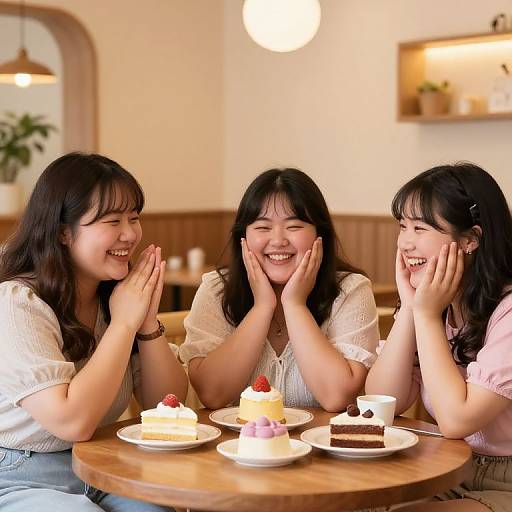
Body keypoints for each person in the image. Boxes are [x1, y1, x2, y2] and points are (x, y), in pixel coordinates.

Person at [0, 152, 188, 512]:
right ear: (62, 232)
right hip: (20, 471)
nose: (130, 233)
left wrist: (146, 320)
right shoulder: (17, 303)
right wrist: (123, 324)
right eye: (112, 220)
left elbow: (167, 402)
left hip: (100, 462)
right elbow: (71, 421)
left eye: (134, 217)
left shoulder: (116, 298)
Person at [365, 163, 512, 512]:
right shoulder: (433, 301)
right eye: (402, 226)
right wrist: (412, 310)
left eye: (420, 228)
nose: (404, 242)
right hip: (447, 466)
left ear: (470, 240)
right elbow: (383, 401)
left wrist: (427, 315)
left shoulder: (507, 311)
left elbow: (457, 419)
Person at [180, 168, 379, 411]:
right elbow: (213, 395)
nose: (278, 240)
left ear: (320, 235)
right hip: (235, 447)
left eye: (293, 226)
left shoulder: (350, 290)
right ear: (243, 237)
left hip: (321, 447)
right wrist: (263, 307)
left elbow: (336, 397)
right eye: (263, 227)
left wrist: (295, 305)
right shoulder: (216, 289)